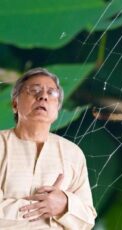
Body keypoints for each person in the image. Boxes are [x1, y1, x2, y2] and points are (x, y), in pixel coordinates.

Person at [0, 68, 97, 229]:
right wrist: (51, 211)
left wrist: (64, 204)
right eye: (34, 90)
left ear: (58, 109)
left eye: (51, 93)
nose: (43, 96)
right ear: (15, 104)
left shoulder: (73, 154)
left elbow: (87, 220)